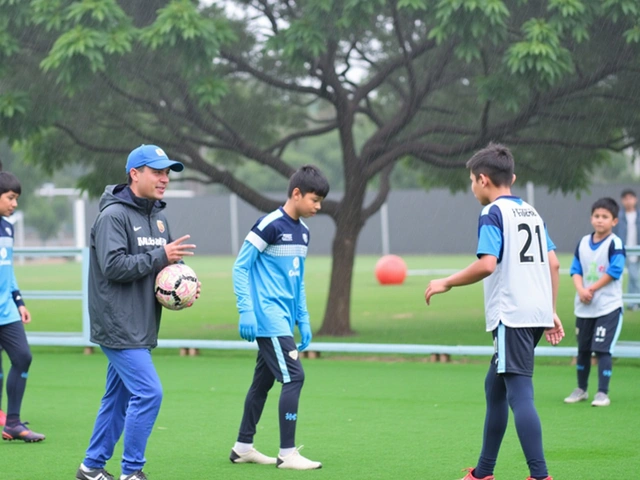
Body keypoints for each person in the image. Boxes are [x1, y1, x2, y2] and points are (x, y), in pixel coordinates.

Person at [425, 143, 564, 480]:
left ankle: (540, 476)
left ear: (483, 180)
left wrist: (448, 282)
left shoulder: (492, 213)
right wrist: (551, 310)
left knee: (519, 394)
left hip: (512, 315)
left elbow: (487, 265)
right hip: (533, 314)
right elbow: (554, 263)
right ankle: (483, 472)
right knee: (495, 387)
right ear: (511, 178)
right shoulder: (531, 212)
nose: (472, 188)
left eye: (472, 181)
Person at [76, 145, 199, 480]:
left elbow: (167, 262)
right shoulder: (112, 216)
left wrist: (185, 283)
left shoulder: (158, 217)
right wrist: (162, 256)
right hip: (117, 324)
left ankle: (91, 467)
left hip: (141, 323)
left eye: (167, 173)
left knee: (118, 398)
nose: (164, 179)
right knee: (149, 392)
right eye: (157, 171)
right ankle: (133, 472)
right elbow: (113, 266)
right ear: (134, 173)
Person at [230, 165, 329, 470]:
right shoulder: (270, 224)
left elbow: (296, 280)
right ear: (296, 194)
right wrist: (246, 309)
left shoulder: (304, 231)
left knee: (263, 382)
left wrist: (304, 318)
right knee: (294, 376)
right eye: (314, 199)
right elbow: (240, 267)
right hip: (267, 317)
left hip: (284, 319)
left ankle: (243, 447)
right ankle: (287, 453)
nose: (318, 207)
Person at [564, 197, 624, 407]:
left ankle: (602, 392)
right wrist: (581, 289)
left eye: (605, 217)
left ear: (614, 221)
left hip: (607, 307)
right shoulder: (582, 243)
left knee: (602, 350)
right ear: (591, 218)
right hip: (584, 307)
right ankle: (581, 389)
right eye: (597, 216)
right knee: (583, 350)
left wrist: (591, 289)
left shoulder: (614, 243)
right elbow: (575, 270)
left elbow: (614, 271)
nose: (600, 220)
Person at [0, 172, 45, 442]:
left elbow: (8, 271)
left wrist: (19, 301)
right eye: (10, 198)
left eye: (16, 199)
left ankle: (13, 423)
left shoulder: (8, 228)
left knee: (22, 357)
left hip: (6, 311)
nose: (14, 203)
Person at [613, 189, 640, 310]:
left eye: (631, 198)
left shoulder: (638, 215)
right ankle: (630, 302)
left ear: (636, 199)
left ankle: (633, 302)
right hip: (622, 249)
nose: (628, 201)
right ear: (622, 201)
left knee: (633, 276)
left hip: (636, 249)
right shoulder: (619, 216)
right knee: (618, 276)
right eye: (626, 198)